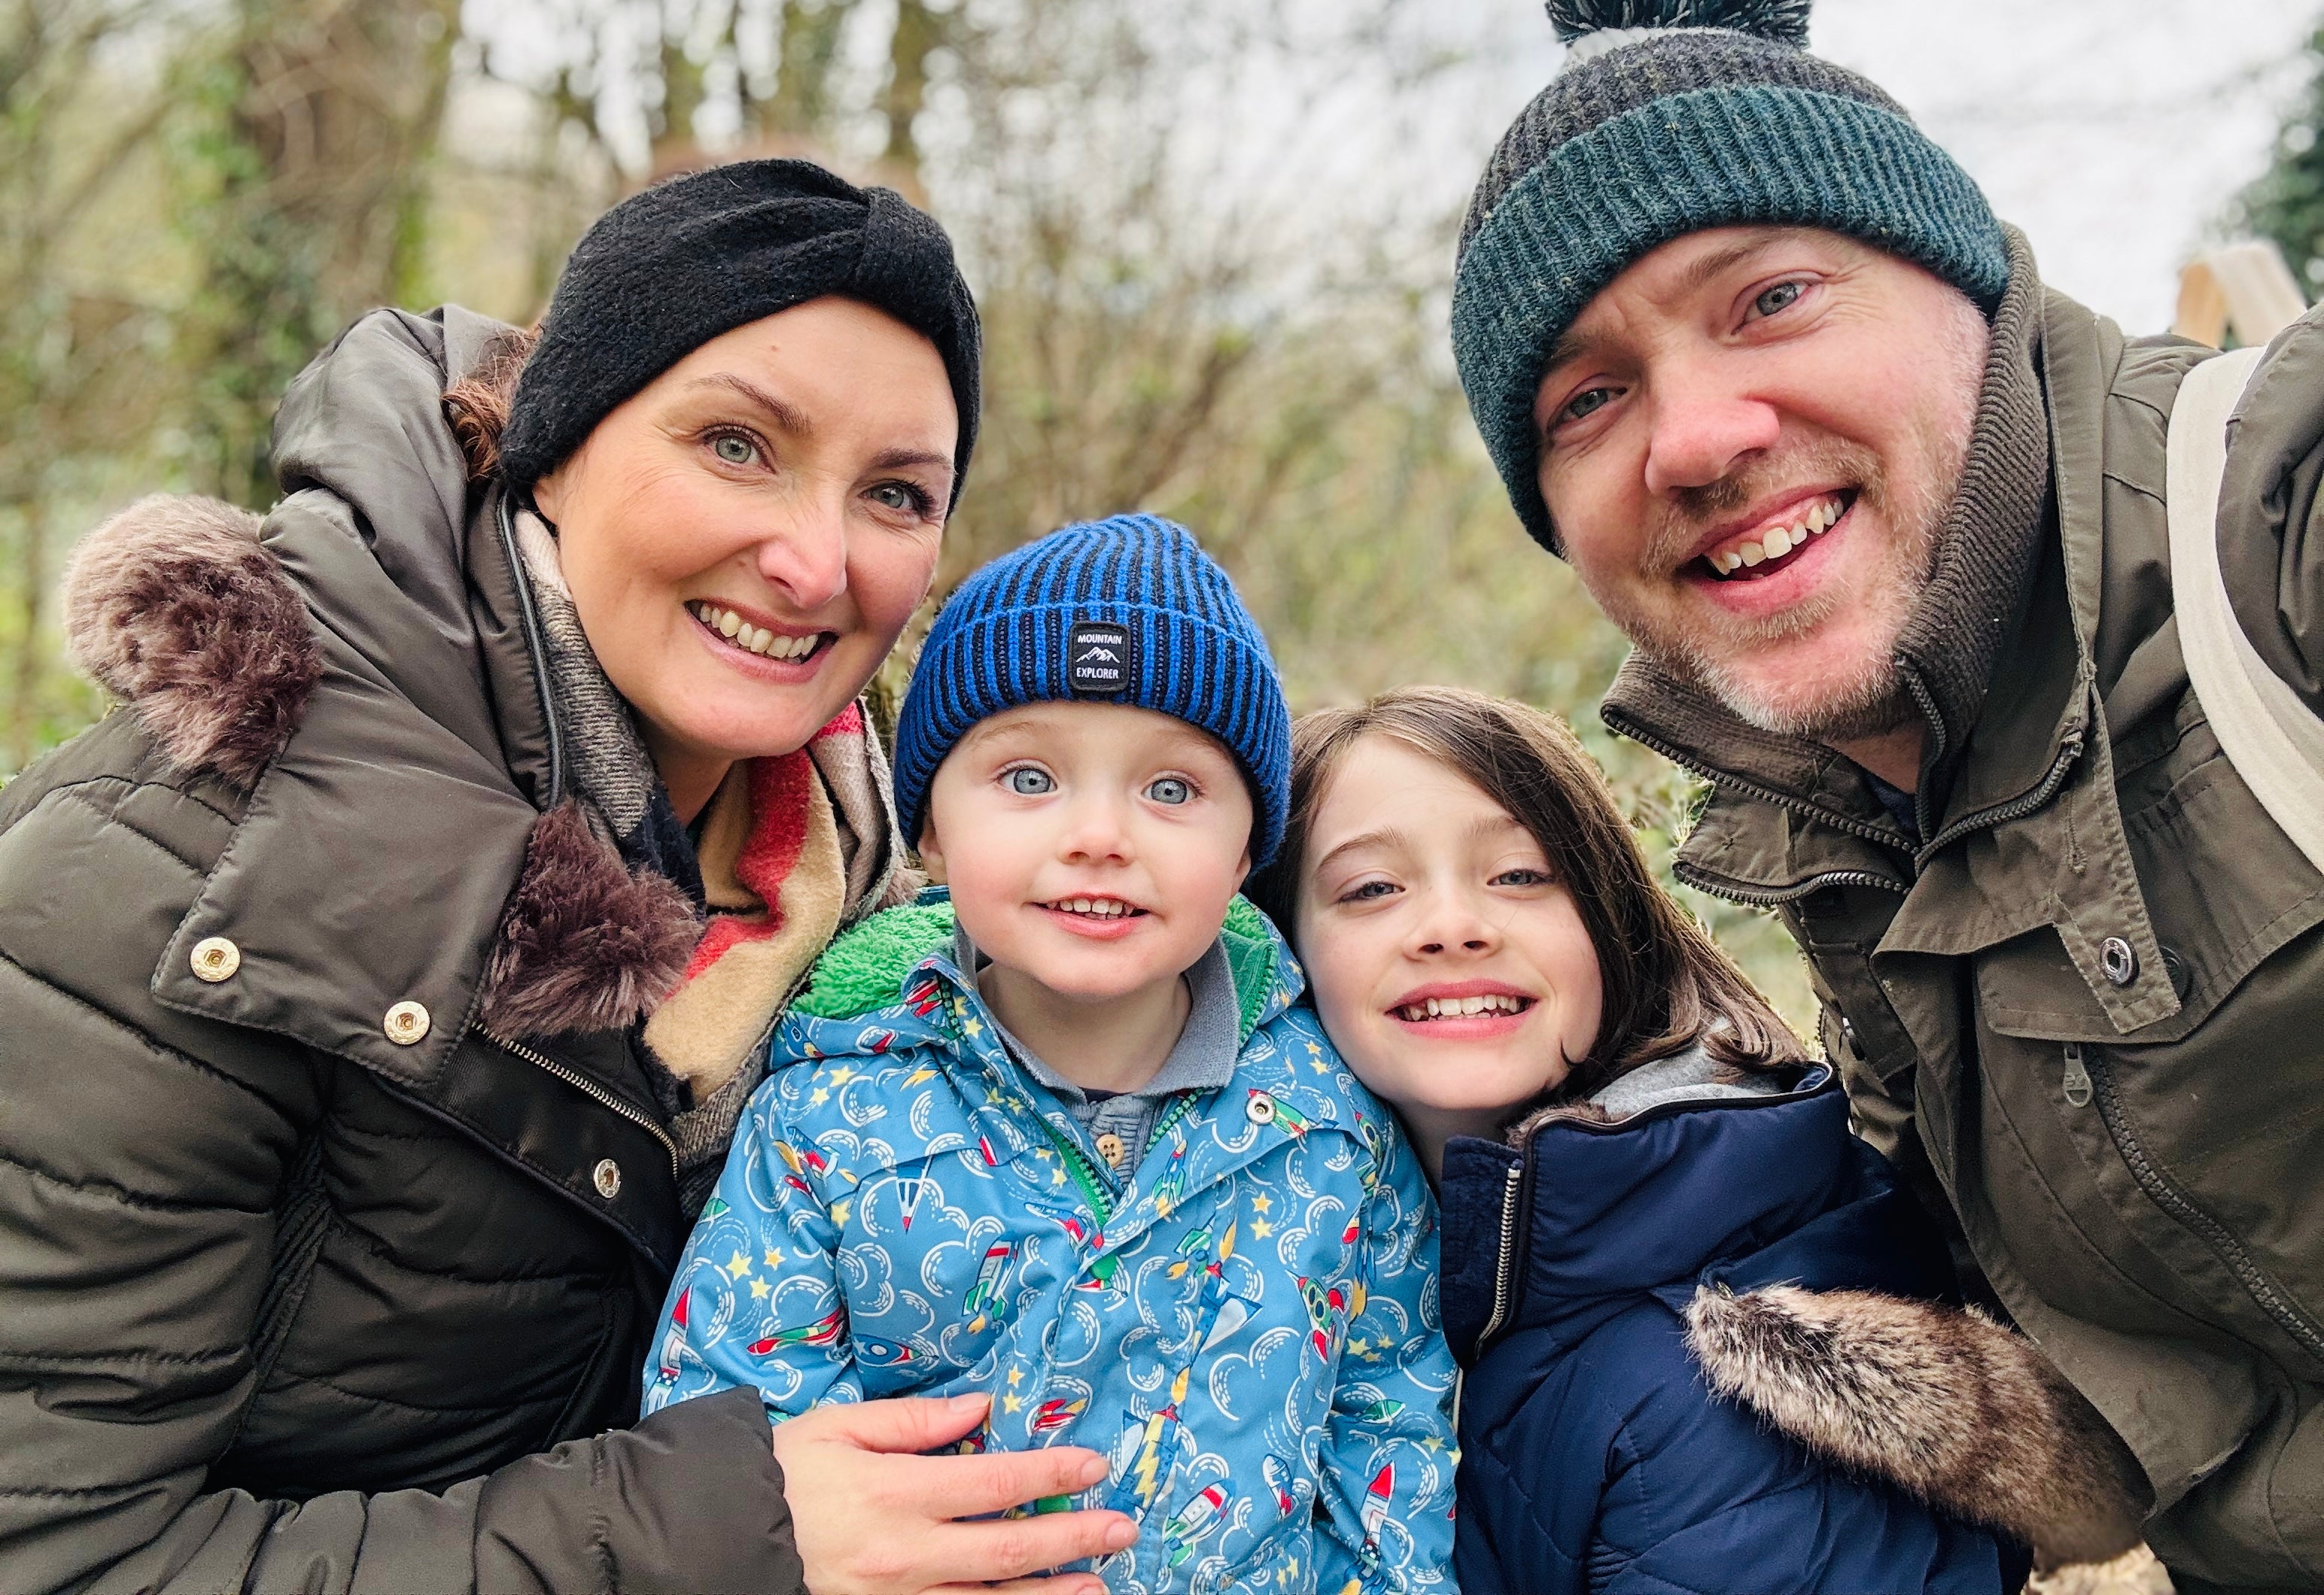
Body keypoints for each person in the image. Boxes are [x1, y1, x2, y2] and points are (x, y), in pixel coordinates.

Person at [0, 159, 1139, 1595]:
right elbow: (58, 1551)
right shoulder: (178, 878)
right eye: (735, 444)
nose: (812, 558)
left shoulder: (885, 918)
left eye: (897, 493)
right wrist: (716, 1541)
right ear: (554, 444)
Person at [1446, 0, 2324, 1592]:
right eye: (1588, 395)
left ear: (1963, 284)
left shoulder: (2270, 536)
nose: (1692, 437)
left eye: (1769, 295)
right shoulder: (1824, 834)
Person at [643, 515, 1459, 1593]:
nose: (1100, 836)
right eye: (1029, 779)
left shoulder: (1332, 1125)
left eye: (1172, 791)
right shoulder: (825, 1118)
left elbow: (1393, 1426)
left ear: (1247, 850)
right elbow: (733, 1425)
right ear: (928, 827)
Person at [1249, 685, 2161, 1594]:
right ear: (1275, 946)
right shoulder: (1255, 1280)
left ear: (1609, 924)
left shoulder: (1713, 1400)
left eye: (1520, 874)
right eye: (1371, 888)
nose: (1451, 928)